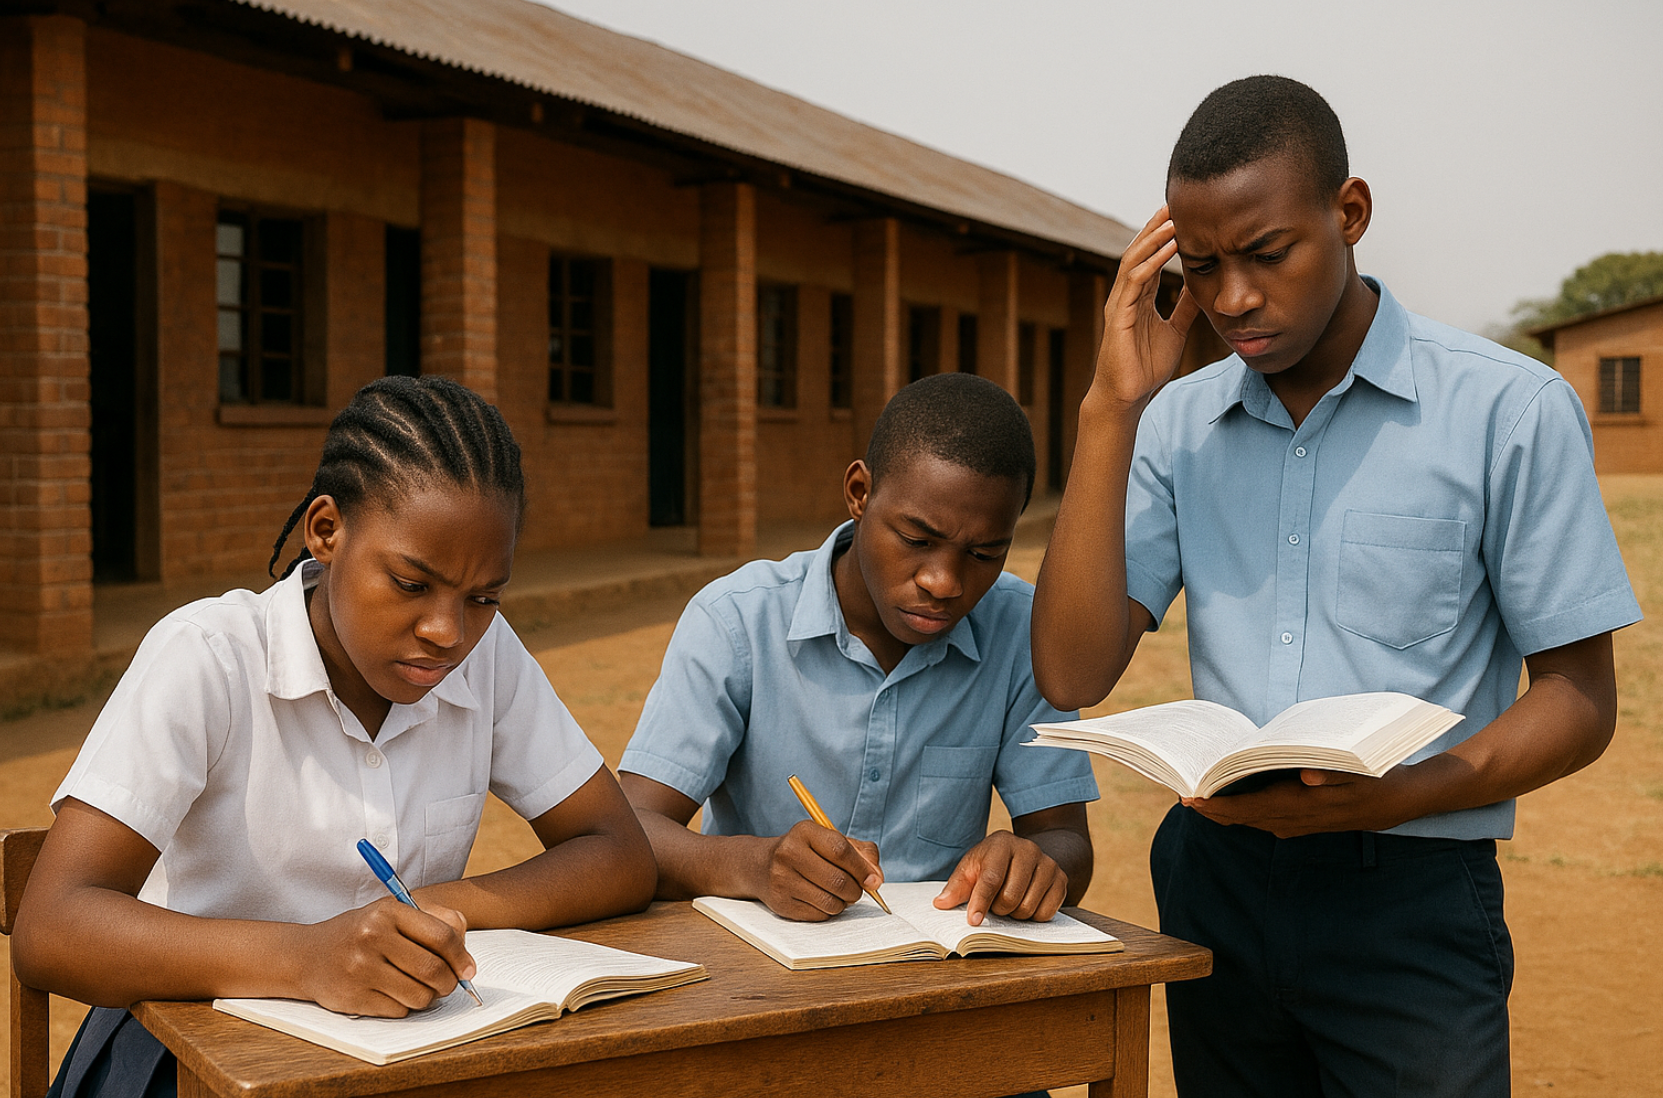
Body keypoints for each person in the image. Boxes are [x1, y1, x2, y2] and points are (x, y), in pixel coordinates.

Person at [1031, 75, 1641, 1098]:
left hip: (1410, 890)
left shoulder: (1507, 410)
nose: (1231, 299)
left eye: (1267, 255)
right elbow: (1069, 667)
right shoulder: (1172, 428)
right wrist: (1108, 410)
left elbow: (1579, 701)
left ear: (1348, 213)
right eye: (1201, 265)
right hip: (1213, 879)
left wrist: (1400, 795)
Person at [13, 376, 656, 1098]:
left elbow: (617, 852)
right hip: (183, 1056)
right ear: (327, 530)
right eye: (413, 584)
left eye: (482, 598)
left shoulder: (489, 654)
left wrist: (431, 912)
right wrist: (309, 956)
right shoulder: (210, 656)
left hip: (382, 1057)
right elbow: (51, 930)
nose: (448, 632)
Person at [620, 373, 1098, 930]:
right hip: (764, 970)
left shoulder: (1022, 634)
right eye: (917, 540)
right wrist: (756, 866)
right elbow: (634, 830)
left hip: (939, 969)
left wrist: (1034, 865)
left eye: (985, 553)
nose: (944, 581)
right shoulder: (738, 622)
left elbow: (1066, 840)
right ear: (859, 493)